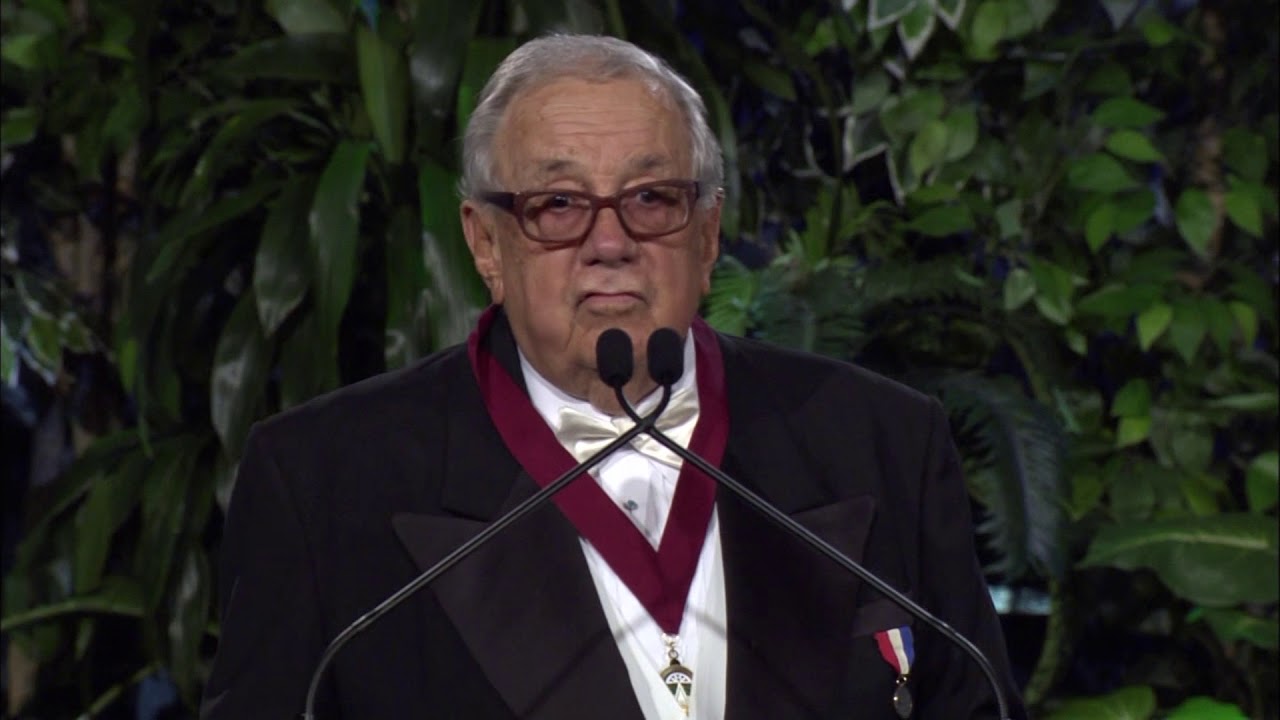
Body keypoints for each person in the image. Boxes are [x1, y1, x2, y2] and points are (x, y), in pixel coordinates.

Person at [200, 34, 1026, 720]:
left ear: (708, 234)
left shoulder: (878, 439)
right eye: (558, 205)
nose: (610, 241)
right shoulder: (323, 479)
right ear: (485, 244)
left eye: (652, 198)